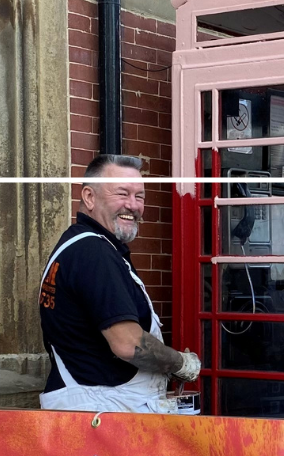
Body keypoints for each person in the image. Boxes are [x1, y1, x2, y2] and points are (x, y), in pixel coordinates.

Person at [38, 154, 201, 413]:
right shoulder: (94, 252)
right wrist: (181, 363)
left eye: (140, 197)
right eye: (122, 194)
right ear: (90, 197)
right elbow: (130, 345)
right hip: (104, 417)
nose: (133, 205)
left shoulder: (81, 245)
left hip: (97, 408)